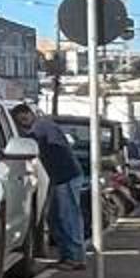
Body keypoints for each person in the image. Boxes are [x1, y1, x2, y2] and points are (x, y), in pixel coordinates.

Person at [30, 110, 87, 264]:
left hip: (66, 176)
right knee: (56, 218)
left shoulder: (41, 127)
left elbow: (39, 145)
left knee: (68, 217)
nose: (23, 121)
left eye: (25, 116)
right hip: (57, 178)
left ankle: (76, 258)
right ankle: (67, 255)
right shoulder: (44, 126)